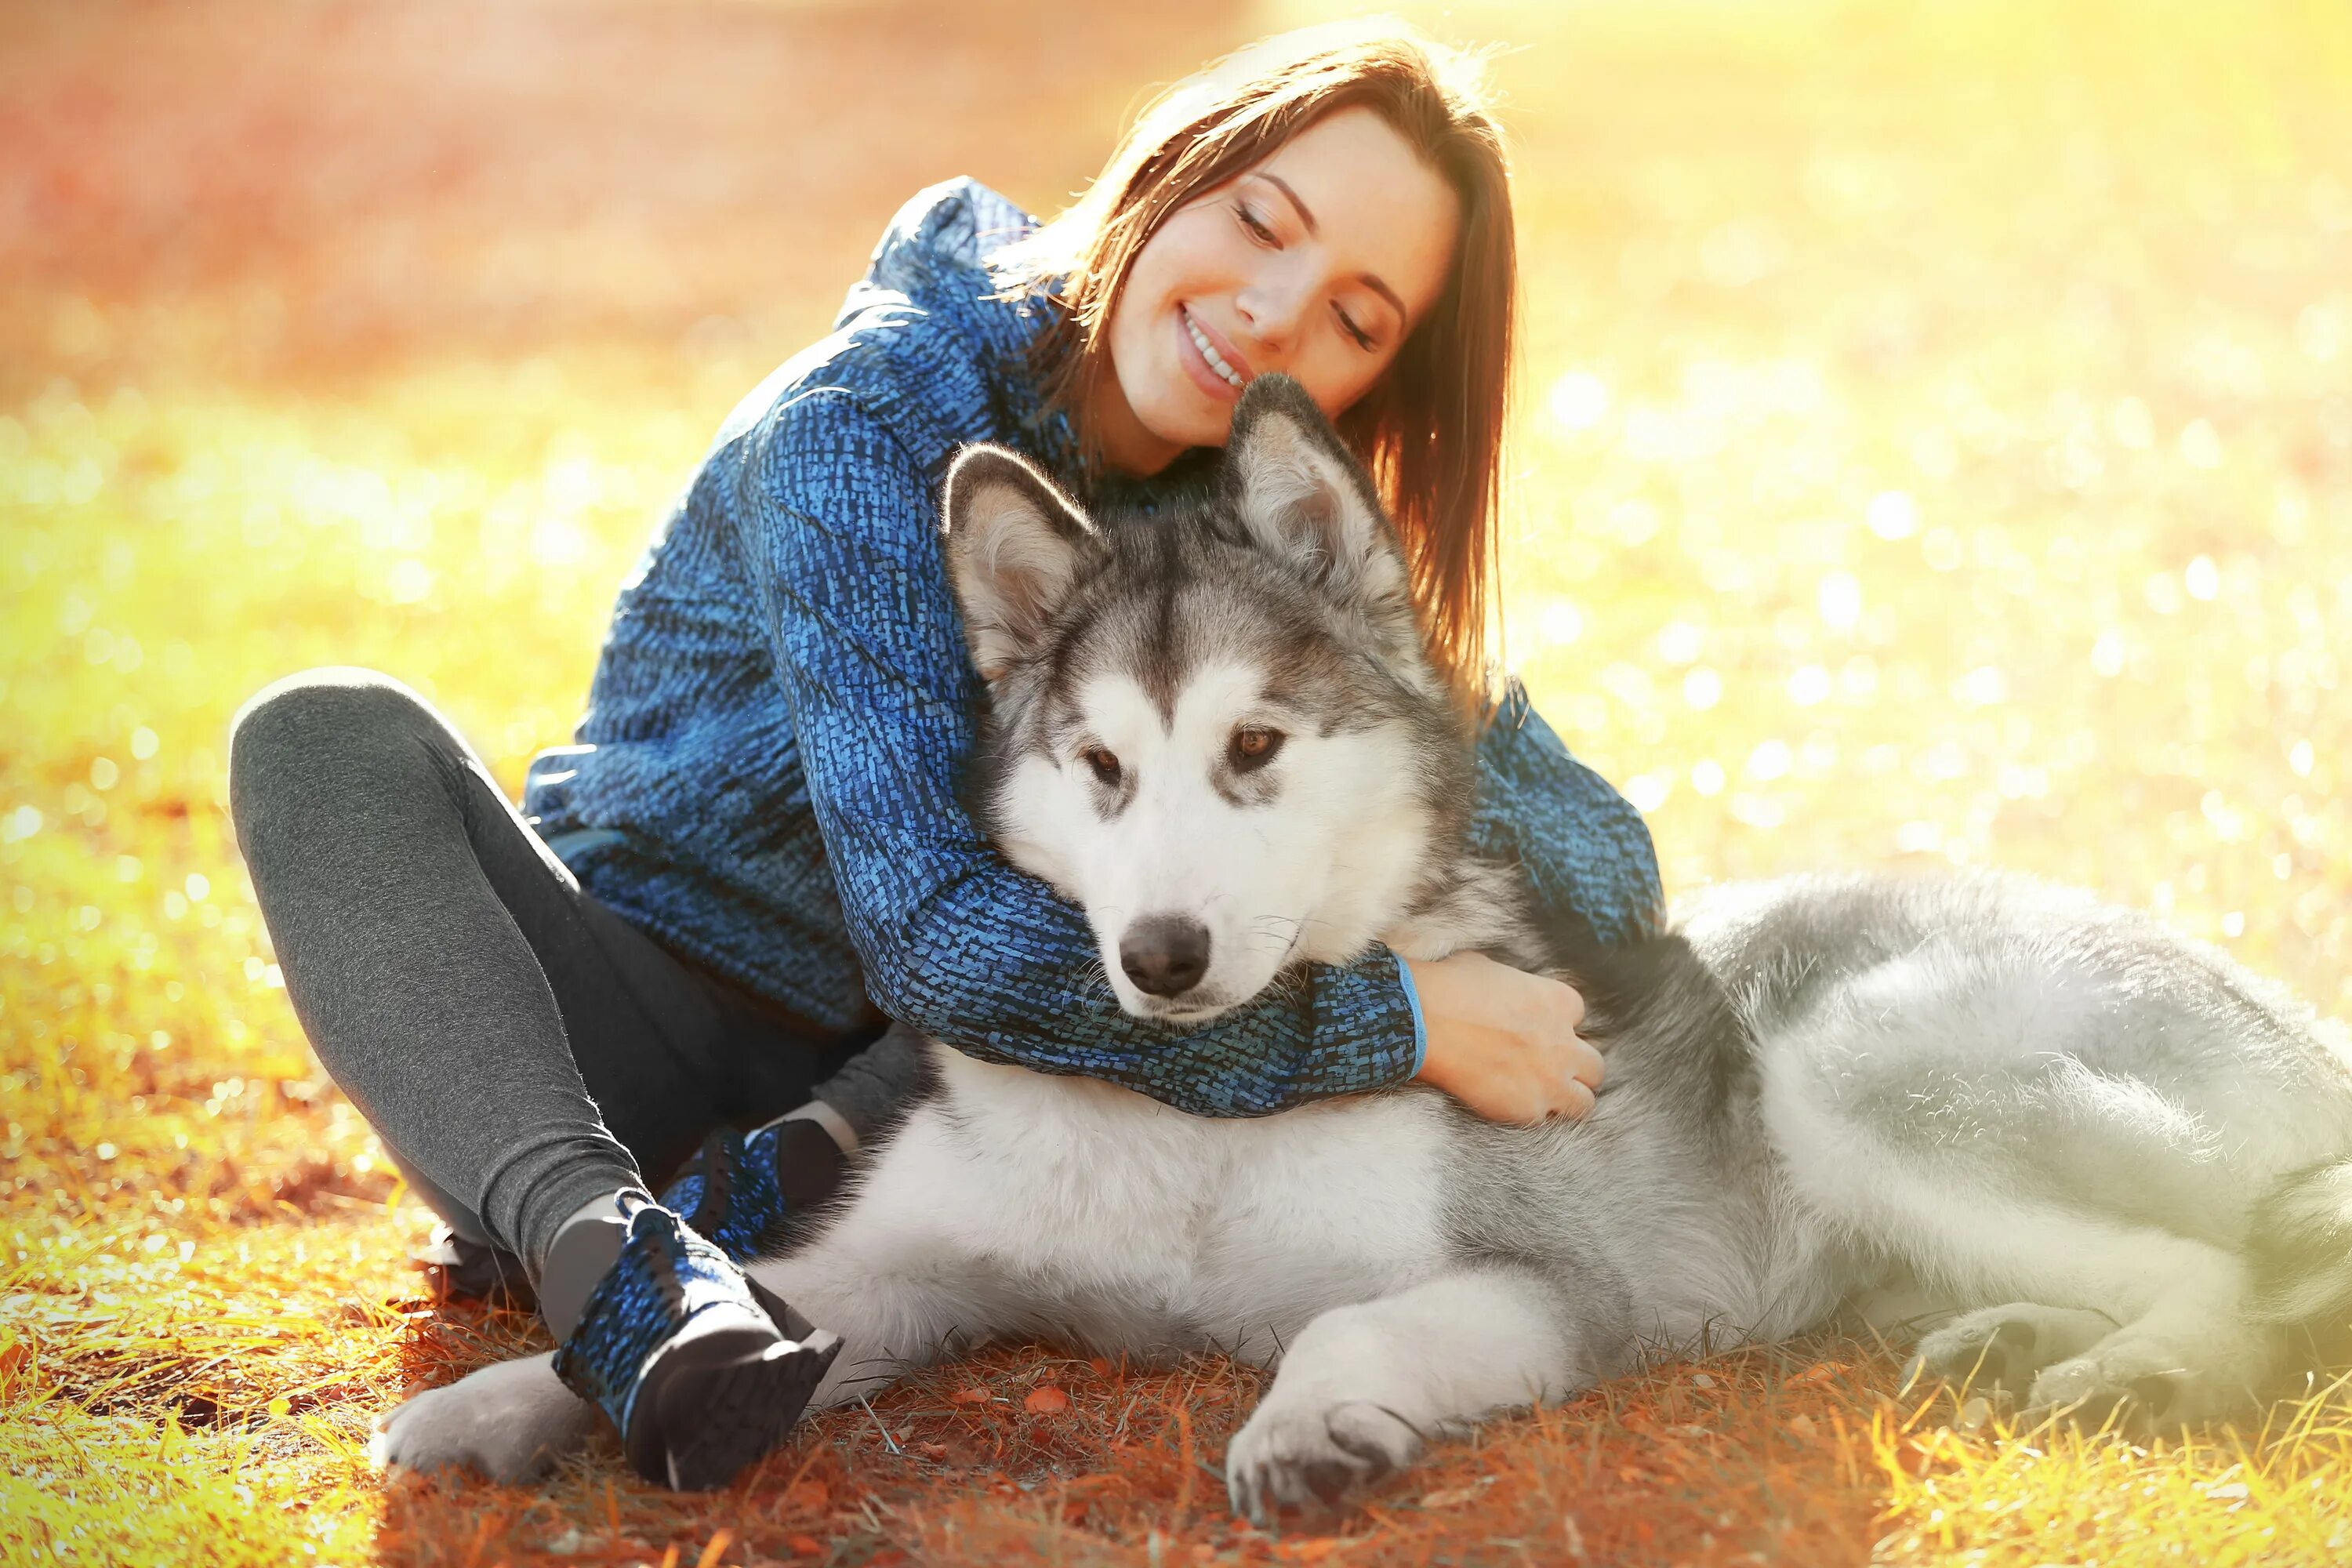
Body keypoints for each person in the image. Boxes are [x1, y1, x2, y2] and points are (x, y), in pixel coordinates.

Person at [227, 20, 1663, 1492]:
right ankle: (611, 1255)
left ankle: (804, 1164)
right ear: (1171, 173)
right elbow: (931, 937)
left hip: (962, 1104)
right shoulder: (868, 426)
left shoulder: (1279, 553)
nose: (1276, 313)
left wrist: (1391, 694)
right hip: (628, 1025)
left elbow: (1615, 869)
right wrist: (1398, 1020)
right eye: (1259, 221)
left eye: (1358, 320)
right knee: (319, 733)